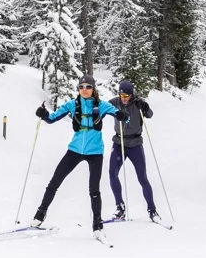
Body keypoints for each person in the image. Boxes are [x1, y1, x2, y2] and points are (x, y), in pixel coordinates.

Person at [32, 76, 124, 240]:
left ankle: (97, 225)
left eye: (88, 86)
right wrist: (43, 114)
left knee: (94, 190)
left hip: (95, 152)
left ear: (93, 88)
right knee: (54, 182)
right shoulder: (72, 105)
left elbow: (120, 114)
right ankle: (39, 215)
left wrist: (123, 115)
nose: (85, 89)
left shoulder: (102, 105)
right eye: (81, 87)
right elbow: (51, 119)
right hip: (74, 150)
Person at [109, 78, 160, 222]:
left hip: (135, 143)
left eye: (126, 96)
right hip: (119, 143)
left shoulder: (138, 104)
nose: (123, 98)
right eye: (121, 95)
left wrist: (144, 106)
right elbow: (101, 108)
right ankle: (120, 208)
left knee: (142, 177)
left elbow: (149, 115)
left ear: (132, 94)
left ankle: (152, 210)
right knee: (112, 174)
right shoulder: (115, 102)